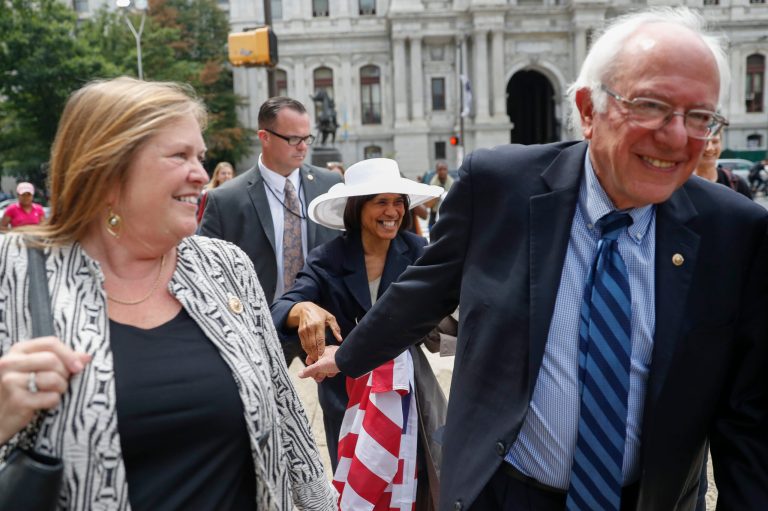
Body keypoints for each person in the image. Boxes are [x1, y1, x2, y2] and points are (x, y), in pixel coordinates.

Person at [300, 7, 768, 511]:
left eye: (699, 116)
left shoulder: (735, 231)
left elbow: (750, 422)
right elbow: (423, 291)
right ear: (588, 111)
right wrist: (346, 357)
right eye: (650, 106)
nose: (677, 136)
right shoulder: (499, 188)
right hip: (504, 493)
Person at [0, 77, 336, 510]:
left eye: (200, 155)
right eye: (180, 155)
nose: (201, 174)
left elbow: (288, 423)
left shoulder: (225, 267)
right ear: (107, 167)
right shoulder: (17, 270)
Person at [270, 158, 443, 500]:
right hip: (346, 397)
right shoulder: (327, 258)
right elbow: (282, 308)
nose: (392, 211)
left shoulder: (420, 252)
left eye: (398, 202)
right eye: (381, 202)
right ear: (357, 208)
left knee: (412, 485)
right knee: (355, 491)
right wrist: (304, 309)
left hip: (407, 392)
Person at [198, 96, 342, 363]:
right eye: (293, 139)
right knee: (266, 404)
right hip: (261, 327)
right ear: (264, 137)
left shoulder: (331, 184)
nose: (303, 147)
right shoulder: (226, 199)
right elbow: (205, 269)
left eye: (307, 138)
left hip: (328, 322)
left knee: (343, 405)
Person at [692, 132, 752, 199]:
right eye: (703, 142)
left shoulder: (736, 183)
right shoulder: (680, 184)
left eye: (715, 141)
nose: (710, 148)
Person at [426, 160, 453, 228]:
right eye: (440, 169)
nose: (442, 172)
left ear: (447, 170)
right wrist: (437, 196)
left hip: (448, 213)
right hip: (434, 214)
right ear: (437, 171)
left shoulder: (452, 183)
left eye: (444, 169)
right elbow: (428, 204)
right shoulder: (432, 183)